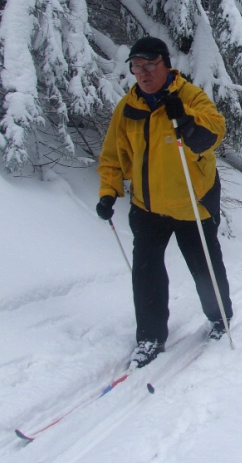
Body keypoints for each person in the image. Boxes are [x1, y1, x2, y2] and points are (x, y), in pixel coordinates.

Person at [96, 36, 232, 368]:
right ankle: (150, 337)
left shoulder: (190, 96)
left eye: (149, 65)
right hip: (147, 206)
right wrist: (108, 191)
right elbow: (113, 156)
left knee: (204, 269)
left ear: (166, 65)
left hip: (191, 203)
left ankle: (219, 318)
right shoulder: (128, 107)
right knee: (146, 273)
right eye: (136, 66)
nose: (142, 73)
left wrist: (184, 118)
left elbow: (213, 134)